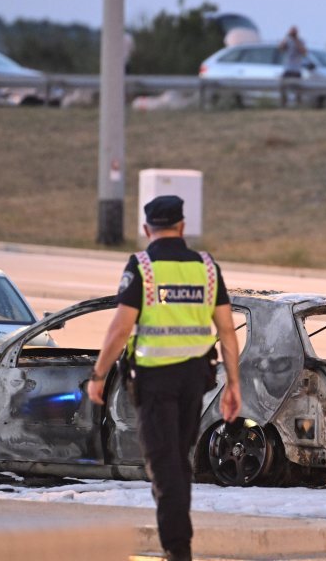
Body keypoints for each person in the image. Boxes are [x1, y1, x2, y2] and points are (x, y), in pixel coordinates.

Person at [88, 195, 241, 561]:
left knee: (164, 464)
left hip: (155, 380)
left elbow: (120, 328)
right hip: (195, 379)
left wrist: (98, 374)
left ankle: (177, 549)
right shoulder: (206, 267)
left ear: (146, 230)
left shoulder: (142, 266)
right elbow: (227, 330)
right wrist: (233, 384)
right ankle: (178, 544)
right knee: (177, 460)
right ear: (182, 227)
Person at [279, 26, 307, 107]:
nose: (293, 34)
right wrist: (286, 37)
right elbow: (280, 49)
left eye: (294, 33)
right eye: (292, 33)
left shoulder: (300, 41)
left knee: (298, 88)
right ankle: (284, 104)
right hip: (288, 68)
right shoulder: (287, 40)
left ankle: (299, 104)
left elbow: (304, 52)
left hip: (297, 69)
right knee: (283, 86)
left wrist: (296, 40)